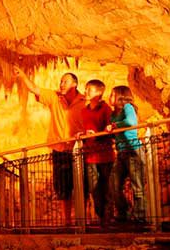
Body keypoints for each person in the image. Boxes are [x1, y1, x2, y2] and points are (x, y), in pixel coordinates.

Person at [14, 66, 85, 226]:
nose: (61, 84)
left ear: (74, 84)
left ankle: (84, 218)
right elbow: (35, 89)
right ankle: (67, 221)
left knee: (82, 184)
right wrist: (23, 76)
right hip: (59, 149)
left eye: (65, 81)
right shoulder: (55, 97)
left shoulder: (84, 101)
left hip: (79, 149)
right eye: (60, 81)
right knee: (62, 186)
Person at [106, 85, 146, 223]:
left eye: (112, 95)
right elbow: (116, 133)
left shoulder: (128, 107)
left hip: (133, 150)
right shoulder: (112, 115)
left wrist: (115, 126)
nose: (109, 97)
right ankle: (124, 212)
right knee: (113, 184)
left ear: (120, 96)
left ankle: (140, 216)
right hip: (121, 151)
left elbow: (130, 122)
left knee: (137, 185)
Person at [79, 79, 115, 226]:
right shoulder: (84, 110)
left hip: (105, 154)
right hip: (90, 155)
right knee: (94, 189)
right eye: (86, 89)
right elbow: (85, 129)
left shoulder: (106, 109)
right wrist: (82, 134)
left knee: (106, 187)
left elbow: (110, 131)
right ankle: (101, 217)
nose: (86, 92)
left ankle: (109, 217)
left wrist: (98, 134)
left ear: (99, 93)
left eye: (90, 89)